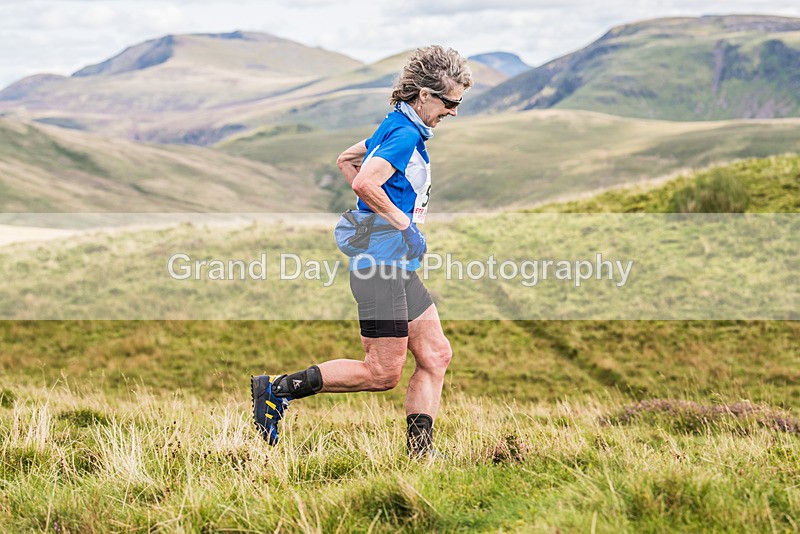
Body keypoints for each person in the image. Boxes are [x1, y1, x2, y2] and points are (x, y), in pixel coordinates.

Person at [252, 45, 473, 457]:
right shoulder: (405, 133)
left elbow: (347, 159)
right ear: (424, 94)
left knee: (436, 354)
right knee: (381, 372)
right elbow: (363, 181)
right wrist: (403, 225)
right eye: (450, 102)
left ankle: (420, 457)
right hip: (381, 268)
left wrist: (376, 219)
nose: (454, 112)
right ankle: (276, 390)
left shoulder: (396, 125)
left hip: (393, 264)